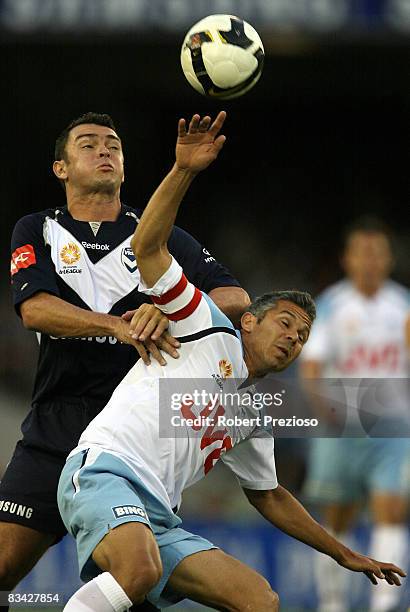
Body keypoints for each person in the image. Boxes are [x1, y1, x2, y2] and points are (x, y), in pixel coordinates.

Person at [57, 112, 406, 612]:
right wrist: (183, 170)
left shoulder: (253, 412)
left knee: (259, 600)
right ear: (248, 322)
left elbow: (269, 495)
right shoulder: (203, 323)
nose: (293, 337)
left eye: (303, 334)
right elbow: (148, 246)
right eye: (284, 322)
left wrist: (343, 553)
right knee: (139, 568)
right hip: (103, 473)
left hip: (159, 515)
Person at [2, 111, 250, 611]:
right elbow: (34, 309)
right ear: (61, 168)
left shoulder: (157, 238)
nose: (105, 151)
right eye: (89, 144)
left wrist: (167, 307)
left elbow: (237, 297)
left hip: (135, 437)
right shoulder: (39, 229)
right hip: (58, 423)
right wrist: (119, 325)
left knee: (134, 585)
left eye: (114, 144)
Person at [300, 217, 410, 612]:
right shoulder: (330, 305)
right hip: (342, 426)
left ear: (388, 259)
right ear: (348, 259)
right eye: (362, 253)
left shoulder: (403, 306)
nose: (369, 261)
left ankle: (385, 603)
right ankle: (333, 603)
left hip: (394, 427)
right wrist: (322, 406)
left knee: (392, 511)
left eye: (377, 253)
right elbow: (311, 366)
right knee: (337, 521)